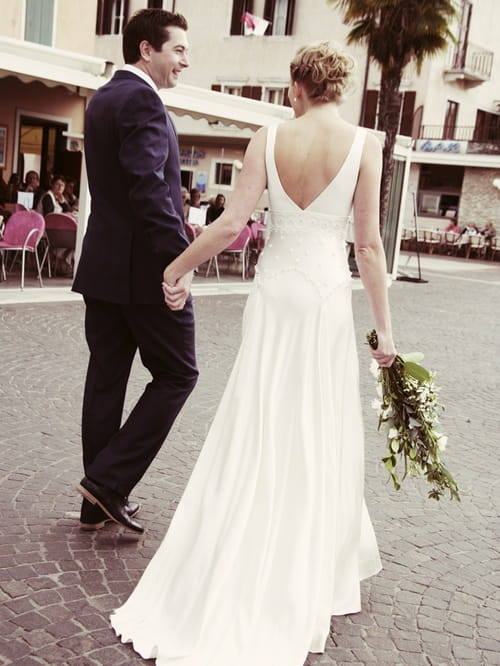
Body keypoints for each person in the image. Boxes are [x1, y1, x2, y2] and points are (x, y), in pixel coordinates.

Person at [110, 41, 396, 664]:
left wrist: (177, 269)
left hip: (274, 298)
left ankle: (243, 530)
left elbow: (232, 223)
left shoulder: (267, 137)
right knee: (316, 423)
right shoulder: (366, 145)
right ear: (339, 89)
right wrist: (385, 336)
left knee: (259, 418)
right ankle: (310, 555)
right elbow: (369, 248)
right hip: (322, 302)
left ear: (296, 86)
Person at [73, 8, 198, 534]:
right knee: (178, 373)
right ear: (146, 49)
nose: (184, 63)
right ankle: (107, 483)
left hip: (101, 266)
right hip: (147, 272)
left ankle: (95, 498)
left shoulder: (101, 98)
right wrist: (179, 266)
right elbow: (149, 189)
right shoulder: (144, 101)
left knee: (106, 379)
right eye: (179, 51)